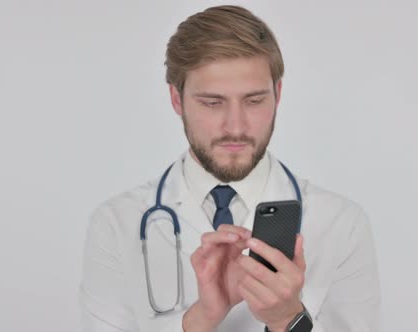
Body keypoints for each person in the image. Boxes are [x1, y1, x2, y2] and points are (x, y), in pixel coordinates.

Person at [80, 5, 381, 332]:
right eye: (212, 102)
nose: (235, 126)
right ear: (176, 99)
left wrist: (287, 320)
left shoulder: (341, 224)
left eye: (253, 101)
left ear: (277, 94)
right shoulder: (115, 224)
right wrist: (202, 318)